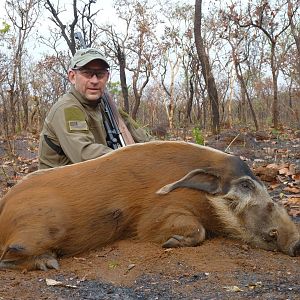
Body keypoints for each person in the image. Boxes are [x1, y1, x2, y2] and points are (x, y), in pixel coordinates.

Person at [38, 48, 151, 169]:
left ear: (107, 77)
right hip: (59, 183)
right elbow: (84, 154)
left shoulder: (107, 107)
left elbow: (142, 137)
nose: (94, 81)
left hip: (92, 176)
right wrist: (129, 158)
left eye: (100, 74)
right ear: (72, 76)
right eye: (87, 73)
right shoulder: (67, 108)